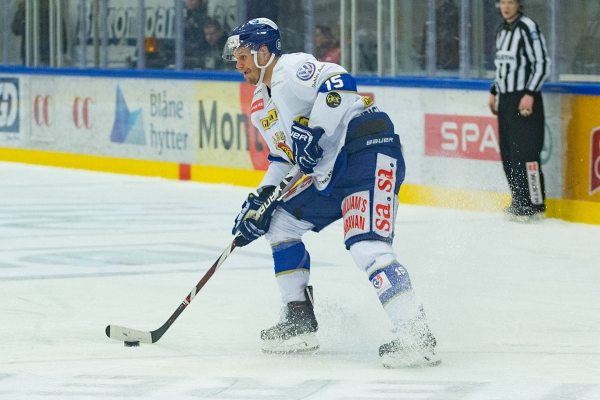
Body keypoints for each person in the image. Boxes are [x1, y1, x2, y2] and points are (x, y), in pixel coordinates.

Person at [223, 18, 440, 368]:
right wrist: (261, 199)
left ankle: (415, 332)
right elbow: (284, 160)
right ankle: (299, 320)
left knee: (366, 244)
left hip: (367, 149)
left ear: (265, 52)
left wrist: (317, 128)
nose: (238, 64)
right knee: (277, 223)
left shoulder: (291, 69)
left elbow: (342, 83)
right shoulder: (260, 108)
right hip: (330, 172)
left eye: (244, 55)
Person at [488, 0, 550, 222]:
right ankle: (518, 200)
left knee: (526, 153)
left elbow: (542, 63)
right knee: (509, 152)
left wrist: (530, 93)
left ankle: (534, 204)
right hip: (505, 99)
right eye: (502, 2)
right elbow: (501, 66)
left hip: (524, 99)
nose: (506, 6)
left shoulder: (527, 27)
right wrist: (494, 91)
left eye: (511, 2)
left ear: (519, 4)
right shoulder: (501, 30)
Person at [420, 0, 460, 71]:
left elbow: (452, 40)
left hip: (449, 65)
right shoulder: (432, 19)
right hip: (436, 64)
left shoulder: (452, 14)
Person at [183, 0, 209, 69]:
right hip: (185, 57)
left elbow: (203, 42)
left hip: (201, 56)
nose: (190, 1)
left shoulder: (204, 18)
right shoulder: (182, 18)